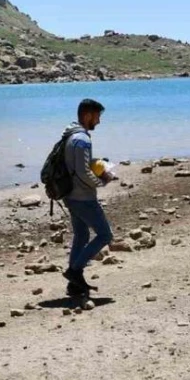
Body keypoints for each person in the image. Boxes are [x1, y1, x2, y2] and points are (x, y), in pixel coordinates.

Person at [60, 99, 115, 296]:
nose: (99, 121)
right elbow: (83, 172)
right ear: (88, 115)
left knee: (82, 235)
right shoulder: (82, 139)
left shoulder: (70, 135)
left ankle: (74, 285)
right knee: (105, 235)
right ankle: (74, 271)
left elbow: (76, 166)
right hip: (83, 197)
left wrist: (97, 163)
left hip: (70, 195)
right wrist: (103, 180)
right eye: (98, 116)